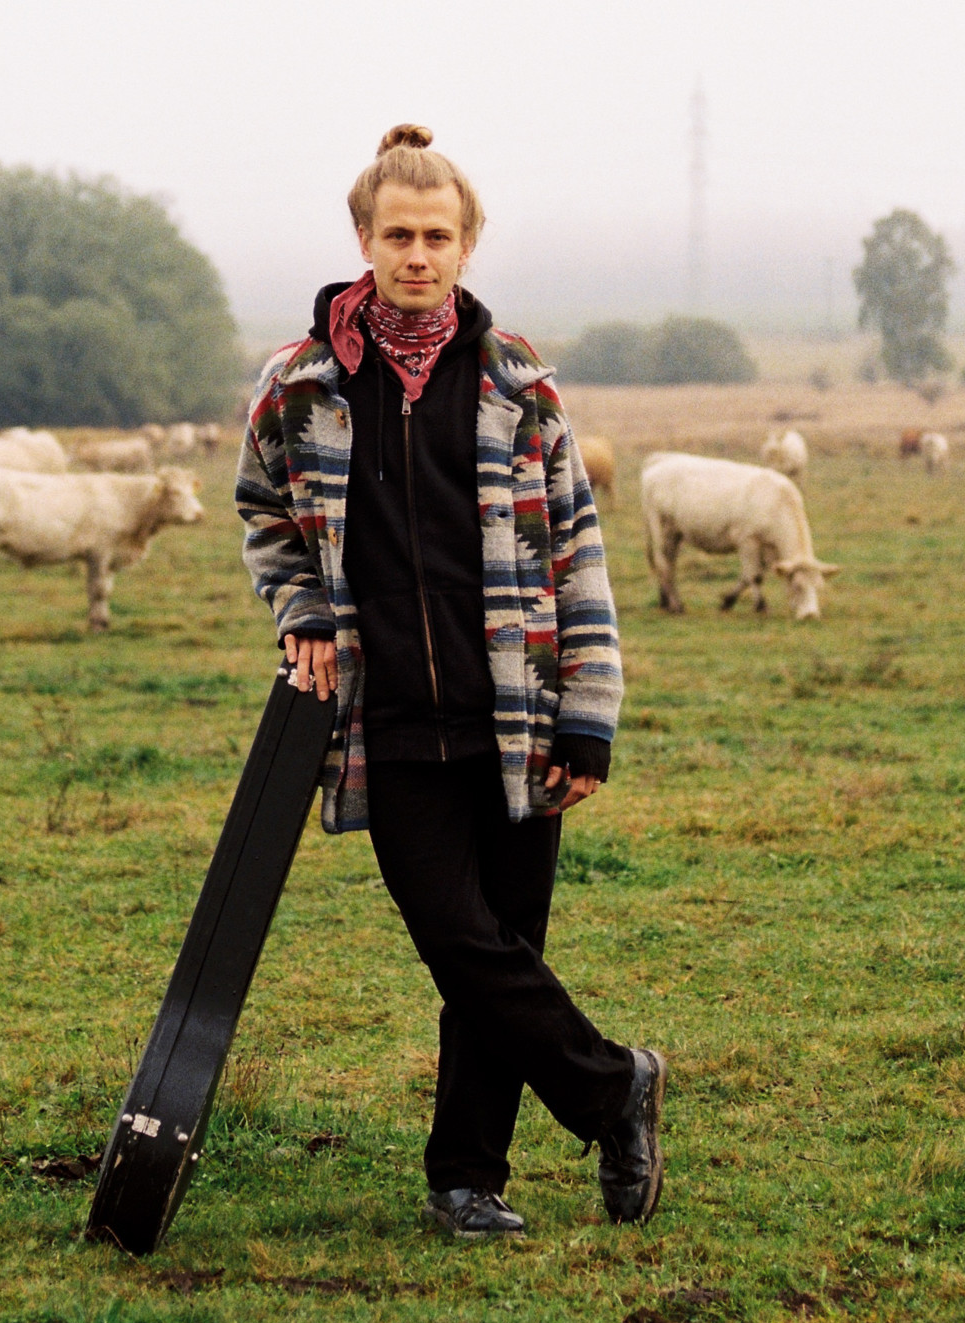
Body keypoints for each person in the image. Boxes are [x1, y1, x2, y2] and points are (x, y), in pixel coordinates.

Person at [235, 124, 664, 1238]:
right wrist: (305, 613)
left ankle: (465, 1180)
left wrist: (588, 721)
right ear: (362, 240)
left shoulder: (520, 384)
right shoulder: (299, 386)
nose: (416, 255)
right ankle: (613, 1087)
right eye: (397, 235)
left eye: (436, 236)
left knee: (501, 954)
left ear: (467, 244)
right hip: (386, 722)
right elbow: (266, 518)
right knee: (457, 936)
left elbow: (574, 551)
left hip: (521, 717)